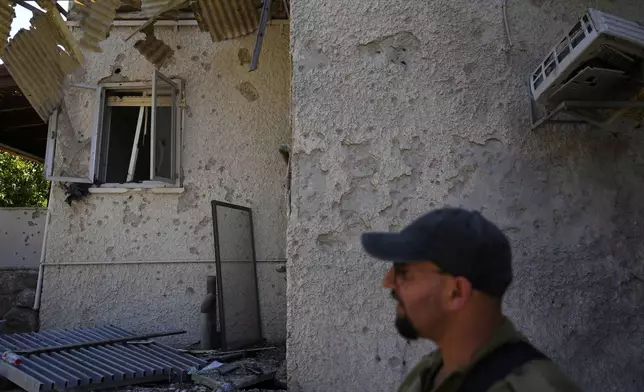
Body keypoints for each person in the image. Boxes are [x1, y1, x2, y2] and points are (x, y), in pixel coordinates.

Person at [361, 207, 581, 392]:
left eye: (403, 272)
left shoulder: (529, 387)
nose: (388, 282)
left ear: (456, 291)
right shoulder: (429, 373)